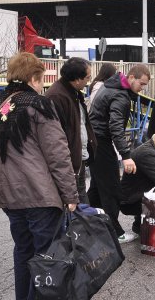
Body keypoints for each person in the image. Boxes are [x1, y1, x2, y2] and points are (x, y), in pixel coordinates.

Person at [0, 52, 78, 300]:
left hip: (10, 195)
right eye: (41, 79)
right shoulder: (38, 105)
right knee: (46, 258)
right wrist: (70, 194)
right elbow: (57, 154)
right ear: (33, 78)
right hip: (40, 195)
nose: (42, 85)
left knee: (23, 252)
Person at [88, 65, 151, 244]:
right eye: (141, 83)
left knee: (96, 189)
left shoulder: (110, 86)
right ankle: (114, 232)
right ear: (131, 77)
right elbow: (115, 127)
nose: (143, 88)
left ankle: (86, 225)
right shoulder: (120, 96)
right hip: (101, 143)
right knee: (111, 189)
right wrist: (126, 155)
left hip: (94, 141)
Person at [45, 57, 97, 204]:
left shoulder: (74, 92)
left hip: (78, 157)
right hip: (68, 162)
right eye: (87, 77)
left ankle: (84, 225)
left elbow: (81, 124)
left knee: (81, 199)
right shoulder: (57, 96)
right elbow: (54, 134)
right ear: (76, 79)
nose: (89, 80)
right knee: (75, 202)